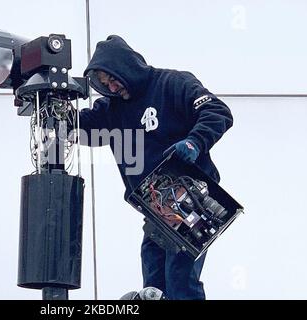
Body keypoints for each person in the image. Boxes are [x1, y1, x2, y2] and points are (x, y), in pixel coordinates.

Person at [78, 35, 233, 300]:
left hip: (194, 199)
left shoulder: (172, 83)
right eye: (105, 85)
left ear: (126, 67)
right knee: (154, 280)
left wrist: (194, 143)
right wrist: (50, 106)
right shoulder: (113, 110)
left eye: (114, 79)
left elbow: (217, 111)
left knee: (180, 277)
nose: (113, 88)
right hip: (156, 208)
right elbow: (83, 127)